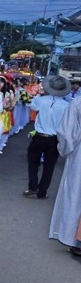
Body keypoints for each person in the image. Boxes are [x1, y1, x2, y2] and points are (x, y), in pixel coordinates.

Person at [24, 75, 70, 199]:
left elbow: (32, 106)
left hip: (39, 136)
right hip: (54, 138)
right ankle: (42, 191)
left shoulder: (41, 100)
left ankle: (33, 186)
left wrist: (39, 94)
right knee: (49, 166)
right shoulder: (66, 105)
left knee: (33, 162)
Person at [49, 94, 81, 255]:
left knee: (75, 196)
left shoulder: (78, 102)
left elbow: (67, 133)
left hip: (79, 155)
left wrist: (65, 150)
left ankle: (75, 239)